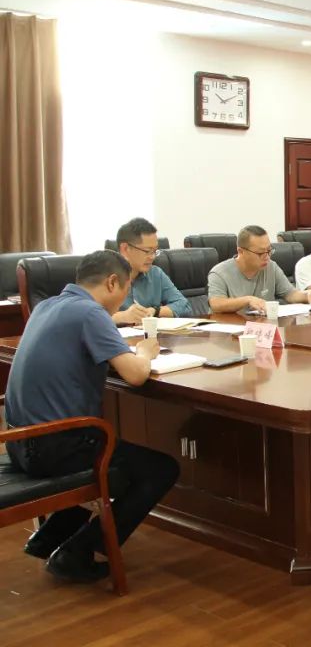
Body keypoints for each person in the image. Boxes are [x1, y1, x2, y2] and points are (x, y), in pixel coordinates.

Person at [4, 250, 179, 583]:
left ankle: (50, 538)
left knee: (110, 452)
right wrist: (144, 352)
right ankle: (77, 554)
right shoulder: (90, 314)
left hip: (19, 441)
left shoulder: (47, 306)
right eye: (126, 289)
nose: (125, 299)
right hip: (54, 448)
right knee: (160, 469)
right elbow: (136, 375)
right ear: (113, 282)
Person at [207, 225, 311, 313]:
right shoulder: (219, 273)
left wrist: (306, 294)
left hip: (262, 327)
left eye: (269, 250)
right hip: (230, 330)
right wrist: (247, 300)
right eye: (260, 253)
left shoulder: (271, 266)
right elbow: (216, 304)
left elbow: (290, 294)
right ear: (241, 251)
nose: (267, 257)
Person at [112, 217, 193, 323]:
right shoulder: (105, 277)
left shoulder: (156, 274)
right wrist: (122, 317)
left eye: (155, 251)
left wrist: (155, 311)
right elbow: (91, 317)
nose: (152, 257)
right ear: (125, 249)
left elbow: (185, 306)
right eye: (147, 251)